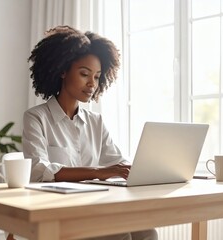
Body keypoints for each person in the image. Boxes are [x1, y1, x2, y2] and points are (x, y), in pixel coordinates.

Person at [22, 26, 158, 240]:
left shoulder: (95, 121)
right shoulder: (36, 117)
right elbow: (39, 171)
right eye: (84, 74)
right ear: (63, 70)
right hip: (56, 212)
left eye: (97, 76)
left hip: (94, 207)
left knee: (147, 231)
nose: (92, 84)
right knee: (119, 235)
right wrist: (98, 171)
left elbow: (118, 163)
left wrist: (147, 170)